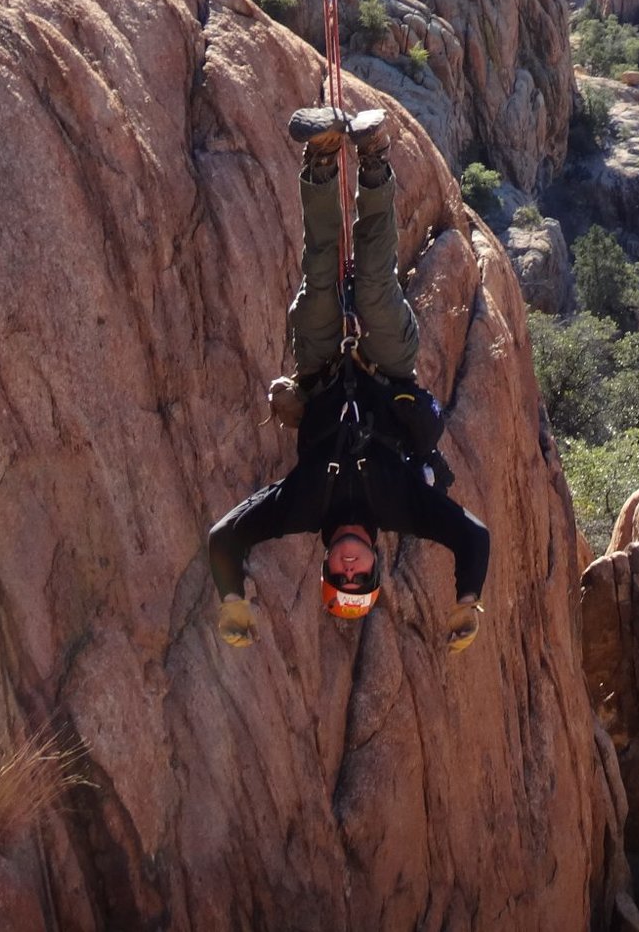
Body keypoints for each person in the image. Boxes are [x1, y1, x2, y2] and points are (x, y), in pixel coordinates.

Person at [207, 105, 488, 652]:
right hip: (386, 366)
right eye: (362, 577)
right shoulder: (402, 507)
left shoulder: (300, 509)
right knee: (376, 285)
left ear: (327, 567)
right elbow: (472, 537)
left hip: (321, 367)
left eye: (342, 577)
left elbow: (226, 538)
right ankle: (376, 160)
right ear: (377, 563)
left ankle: (318, 161)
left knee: (319, 279)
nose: (352, 569)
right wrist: (466, 600)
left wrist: (232, 597)